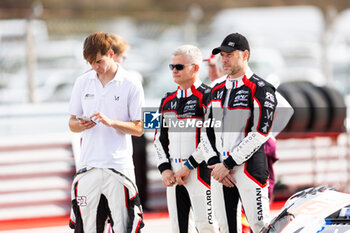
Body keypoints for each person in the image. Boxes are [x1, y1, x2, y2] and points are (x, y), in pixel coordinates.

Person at [178, 33, 277, 233]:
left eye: (230, 55)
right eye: (222, 55)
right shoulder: (215, 89)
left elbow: (260, 133)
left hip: (249, 168)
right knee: (225, 228)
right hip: (218, 170)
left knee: (260, 227)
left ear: (245, 55)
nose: (224, 59)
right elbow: (206, 131)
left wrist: (229, 164)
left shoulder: (261, 88)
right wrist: (216, 164)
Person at [68, 32, 144, 233]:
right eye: (90, 62)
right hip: (88, 166)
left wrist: (112, 123)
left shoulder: (131, 82)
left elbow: (139, 128)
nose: (95, 67)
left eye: (99, 61)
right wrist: (80, 125)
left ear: (111, 54)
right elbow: (71, 123)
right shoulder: (82, 82)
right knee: (86, 227)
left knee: (124, 226)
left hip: (118, 166)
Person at [154, 44, 218, 233]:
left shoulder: (209, 96)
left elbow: (211, 138)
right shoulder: (166, 100)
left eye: (179, 67)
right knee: (177, 228)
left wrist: (188, 166)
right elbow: (159, 138)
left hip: (200, 172)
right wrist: (165, 169)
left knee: (207, 226)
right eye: (172, 67)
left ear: (195, 68)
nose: (174, 71)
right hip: (174, 174)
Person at [109, 33, 148, 209]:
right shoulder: (91, 78)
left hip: (133, 128)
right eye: (122, 56)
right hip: (116, 136)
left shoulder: (132, 77)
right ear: (113, 54)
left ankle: (141, 202)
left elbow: (143, 118)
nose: (123, 60)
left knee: (140, 166)